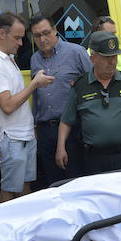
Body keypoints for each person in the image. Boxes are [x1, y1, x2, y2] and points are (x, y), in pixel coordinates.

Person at [56, 31, 121, 174]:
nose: (112, 62)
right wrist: (60, 147)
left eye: (115, 56)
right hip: (93, 159)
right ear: (93, 58)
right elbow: (67, 121)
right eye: (106, 57)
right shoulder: (80, 86)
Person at [0, 12, 54, 202]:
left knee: (24, 188)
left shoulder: (8, 59)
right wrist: (34, 84)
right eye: (17, 38)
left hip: (24, 135)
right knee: (9, 191)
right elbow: (7, 105)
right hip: (12, 138)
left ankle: (26, 229)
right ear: (2, 34)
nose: (21, 43)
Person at [29, 14, 91, 185]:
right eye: (37, 36)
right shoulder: (34, 59)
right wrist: (35, 124)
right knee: (53, 184)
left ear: (55, 30)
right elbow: (35, 94)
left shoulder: (76, 52)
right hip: (45, 131)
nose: (42, 39)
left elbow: (92, 85)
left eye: (46, 33)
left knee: (76, 181)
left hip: (72, 129)